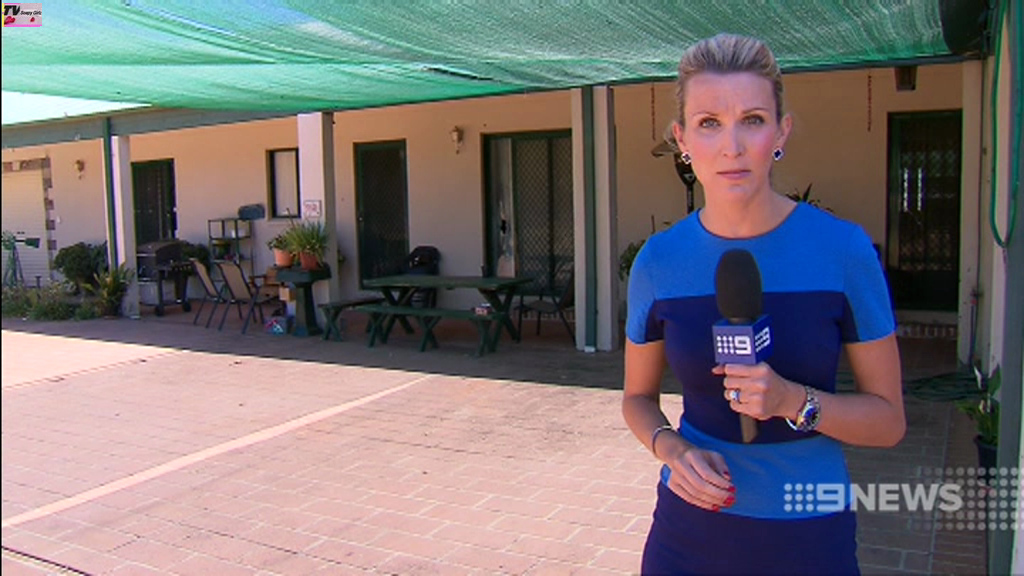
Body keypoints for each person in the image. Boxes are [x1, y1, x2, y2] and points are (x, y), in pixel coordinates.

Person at [622, 33, 905, 575]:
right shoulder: (658, 261)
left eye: (752, 120)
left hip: (808, 535)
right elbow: (637, 398)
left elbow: (888, 422)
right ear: (682, 139)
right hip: (687, 535)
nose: (731, 146)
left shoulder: (843, 251)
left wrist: (793, 401)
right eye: (709, 122)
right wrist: (672, 449)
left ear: (781, 132)